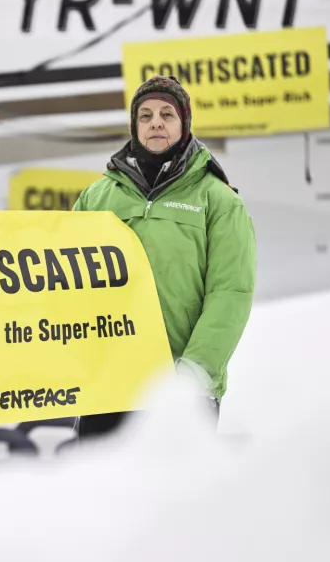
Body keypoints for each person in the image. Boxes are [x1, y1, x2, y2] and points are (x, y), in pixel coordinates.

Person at [72, 75, 256, 439]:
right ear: (134, 126)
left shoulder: (218, 201)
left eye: (167, 114)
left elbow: (230, 293)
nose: (156, 122)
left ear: (184, 124)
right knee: (104, 495)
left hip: (182, 390)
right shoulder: (96, 198)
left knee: (176, 494)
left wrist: (193, 376)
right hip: (109, 385)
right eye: (145, 115)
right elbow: (67, 284)